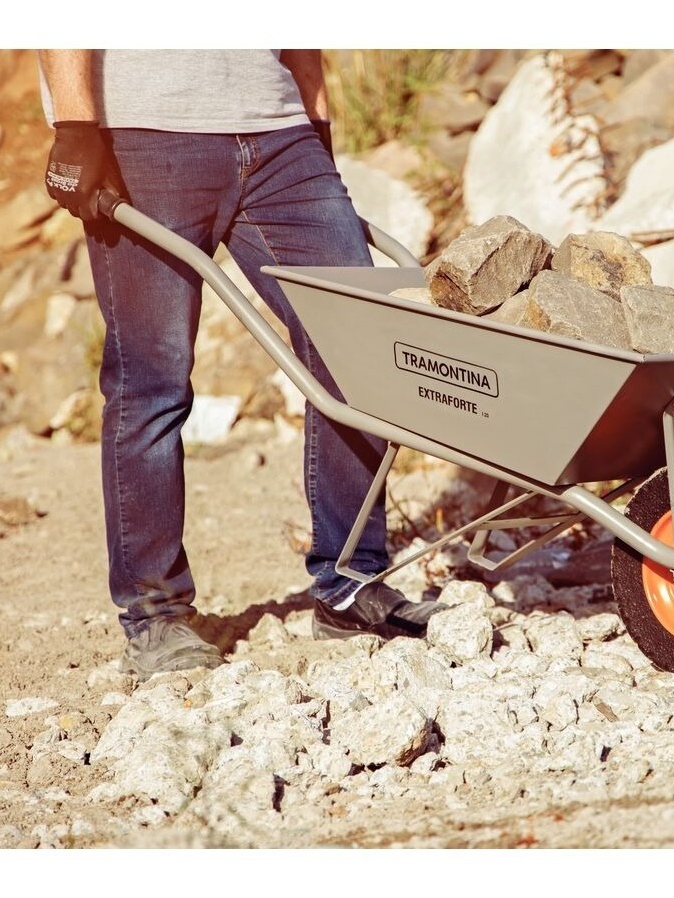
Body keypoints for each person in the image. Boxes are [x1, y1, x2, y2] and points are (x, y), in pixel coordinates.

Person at [37, 50, 444, 681]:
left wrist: (316, 118)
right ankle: (154, 616)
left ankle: (350, 582)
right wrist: (76, 125)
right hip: (143, 131)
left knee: (355, 347)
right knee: (152, 380)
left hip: (279, 131)